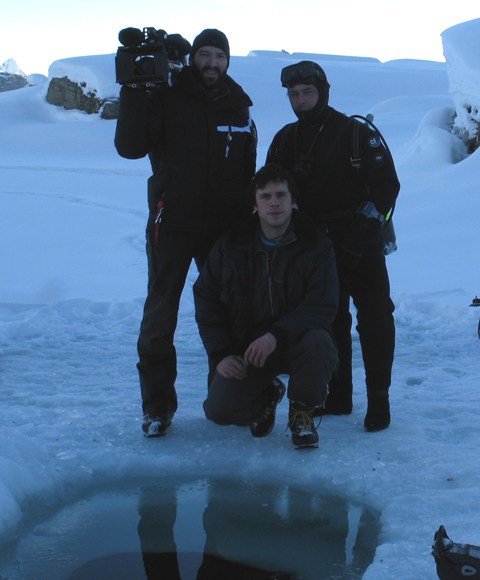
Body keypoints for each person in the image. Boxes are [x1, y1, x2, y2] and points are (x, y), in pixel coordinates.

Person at [114, 29, 257, 437]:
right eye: (205, 55)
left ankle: (227, 399)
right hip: (172, 221)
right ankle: (157, 408)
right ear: (193, 57)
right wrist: (136, 92)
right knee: (161, 315)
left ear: (228, 61)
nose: (212, 63)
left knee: (230, 312)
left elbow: (248, 168)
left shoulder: (238, 103)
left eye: (220, 56)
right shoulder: (168, 95)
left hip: (223, 227)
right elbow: (130, 146)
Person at [266, 61, 400, 432]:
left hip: (362, 239)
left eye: (307, 93)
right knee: (329, 319)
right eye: (294, 95)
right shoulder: (285, 140)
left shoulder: (356, 133)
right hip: (312, 245)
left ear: (323, 92)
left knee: (375, 316)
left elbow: (387, 187)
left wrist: (361, 233)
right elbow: (272, 191)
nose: (301, 100)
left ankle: (379, 400)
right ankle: (338, 395)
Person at [193, 163, 338, 449]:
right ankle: (267, 397)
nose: (274, 202)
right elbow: (206, 298)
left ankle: (302, 413)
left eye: (281, 195)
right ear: (255, 204)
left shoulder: (316, 244)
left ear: (293, 201)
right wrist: (221, 353)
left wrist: (276, 335)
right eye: (266, 196)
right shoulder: (230, 245)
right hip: (248, 347)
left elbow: (323, 304)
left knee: (320, 343)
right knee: (219, 411)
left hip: (297, 341)